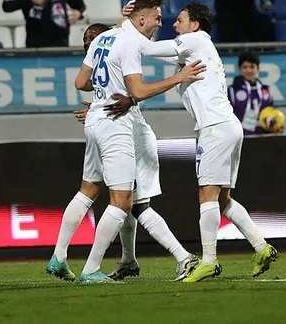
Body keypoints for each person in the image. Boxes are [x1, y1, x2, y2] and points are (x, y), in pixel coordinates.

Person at [118, 1, 278, 283]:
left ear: (194, 24)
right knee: (223, 198)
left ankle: (209, 261)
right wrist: (131, 26)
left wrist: (129, 23)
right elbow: (157, 53)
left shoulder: (195, 40)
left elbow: (148, 49)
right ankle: (261, 247)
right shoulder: (194, 48)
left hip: (214, 128)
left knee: (207, 195)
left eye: (180, 20)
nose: (174, 24)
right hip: (228, 125)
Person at [47, 22, 199, 282]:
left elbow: (89, 84)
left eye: (93, 37)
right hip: (119, 130)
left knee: (117, 199)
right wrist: (103, 104)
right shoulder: (113, 59)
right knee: (123, 202)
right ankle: (169, 258)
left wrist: (108, 103)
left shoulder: (111, 55)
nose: (90, 42)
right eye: (87, 39)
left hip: (128, 134)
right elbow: (122, 91)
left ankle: (157, 258)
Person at [228, 51, 281, 135]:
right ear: (240, 69)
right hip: (239, 136)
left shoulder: (265, 90)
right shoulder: (232, 90)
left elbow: (271, 112)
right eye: (245, 67)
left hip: (262, 137)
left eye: (252, 67)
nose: (249, 70)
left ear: (258, 68)